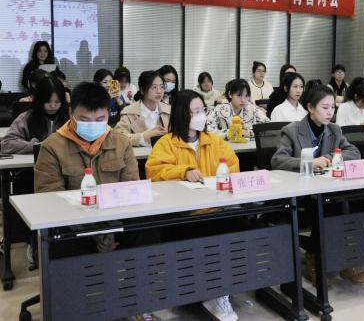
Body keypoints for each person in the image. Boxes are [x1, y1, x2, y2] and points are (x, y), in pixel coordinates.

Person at [34, 81, 153, 321]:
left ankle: (133, 298)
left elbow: (131, 192)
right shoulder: (52, 147)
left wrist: (108, 230)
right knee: (57, 241)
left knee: (149, 230)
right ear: (71, 113)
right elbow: (50, 203)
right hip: (73, 229)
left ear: (108, 114)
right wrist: (93, 232)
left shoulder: (120, 142)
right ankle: (77, 305)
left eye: (99, 119)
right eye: (85, 120)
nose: (93, 125)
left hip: (115, 223)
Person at [145, 89, 240, 321]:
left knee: (237, 226)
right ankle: (205, 289)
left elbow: (233, 167)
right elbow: (154, 172)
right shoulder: (167, 143)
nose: (201, 115)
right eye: (195, 111)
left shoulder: (214, 141)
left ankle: (219, 290)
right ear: (181, 114)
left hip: (215, 209)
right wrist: (183, 171)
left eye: (202, 110)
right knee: (200, 232)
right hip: (182, 214)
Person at [271, 85, 364, 285]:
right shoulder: (291, 130)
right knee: (329, 205)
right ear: (310, 107)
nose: (330, 112)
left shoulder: (334, 129)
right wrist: (309, 162)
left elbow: (354, 152)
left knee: (342, 202)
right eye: (325, 108)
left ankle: (343, 260)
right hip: (299, 192)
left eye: (332, 107)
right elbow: (277, 160)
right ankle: (314, 259)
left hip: (327, 188)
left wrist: (329, 157)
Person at [1, 75, 69, 154]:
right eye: (48, 101)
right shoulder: (26, 118)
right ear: (40, 100)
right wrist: (36, 146)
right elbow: (6, 144)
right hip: (33, 161)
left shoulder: (70, 118)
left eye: (57, 102)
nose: (53, 106)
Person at [115, 70, 170, 147]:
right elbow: (118, 138)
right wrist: (143, 136)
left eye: (162, 87)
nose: (159, 91)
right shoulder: (129, 112)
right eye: (154, 87)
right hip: (139, 155)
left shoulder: (169, 110)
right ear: (142, 90)